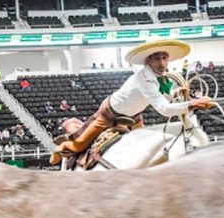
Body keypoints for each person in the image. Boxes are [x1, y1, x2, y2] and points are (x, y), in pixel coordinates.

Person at [49, 38, 213, 165]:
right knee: (79, 144)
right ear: (148, 60)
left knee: (142, 150)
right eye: (157, 59)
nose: (162, 63)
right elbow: (163, 108)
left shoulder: (160, 77)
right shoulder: (144, 78)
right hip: (109, 114)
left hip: (134, 116)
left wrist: (176, 93)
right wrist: (191, 104)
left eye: (164, 58)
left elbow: (164, 95)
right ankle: (61, 149)